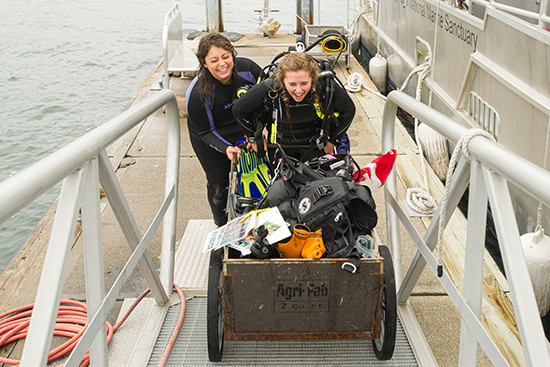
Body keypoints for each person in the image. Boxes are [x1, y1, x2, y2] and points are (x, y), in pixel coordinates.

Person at [185, 33, 262, 226]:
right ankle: (220, 224)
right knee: (220, 181)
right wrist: (227, 148)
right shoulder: (197, 93)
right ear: (204, 63)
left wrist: (256, 136)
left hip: (240, 125)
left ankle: (251, 214)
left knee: (254, 170)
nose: (222, 64)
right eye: (214, 60)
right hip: (209, 133)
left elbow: (267, 102)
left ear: (233, 55)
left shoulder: (249, 70)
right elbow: (205, 131)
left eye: (226, 56)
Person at [232, 52, 355, 163]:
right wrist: (254, 138)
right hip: (280, 147)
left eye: (304, 83)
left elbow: (349, 110)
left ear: (312, 78)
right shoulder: (271, 87)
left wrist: (333, 141)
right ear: (282, 80)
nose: (298, 90)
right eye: (292, 84)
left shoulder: (323, 85)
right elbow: (238, 109)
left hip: (314, 145)